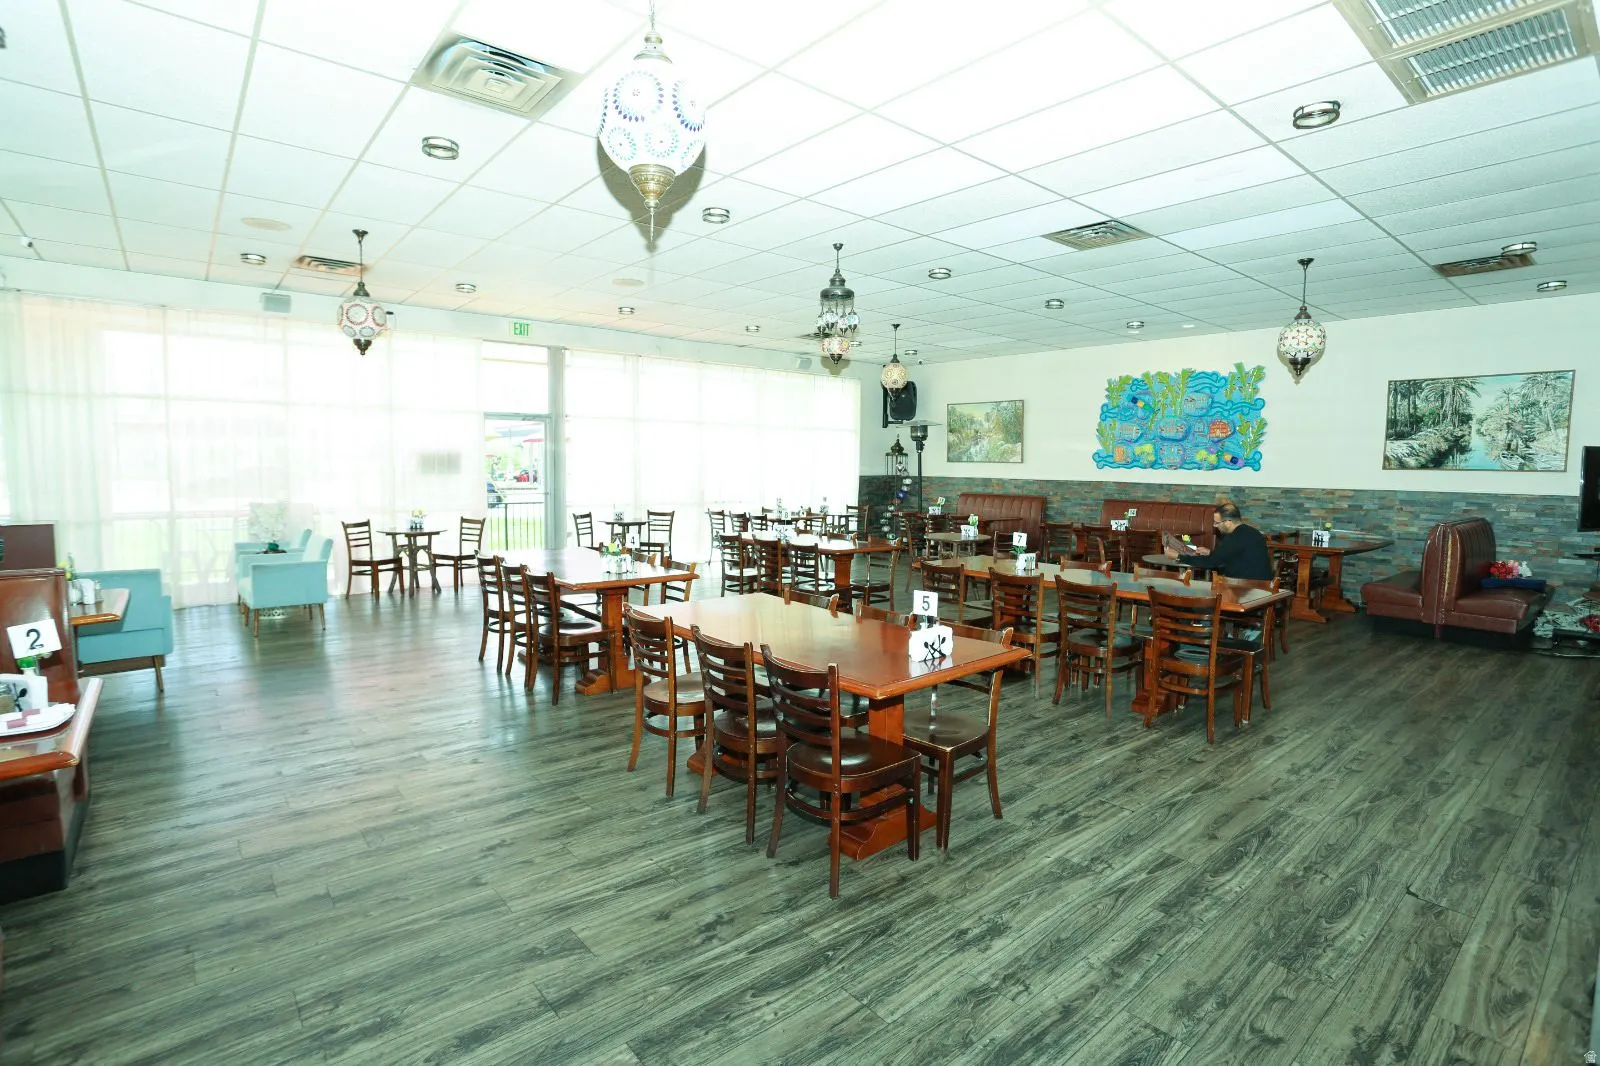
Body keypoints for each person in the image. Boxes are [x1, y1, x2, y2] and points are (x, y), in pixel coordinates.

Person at [1166, 501, 1272, 580]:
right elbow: (1232, 556)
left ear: (1229, 522)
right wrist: (1210, 552)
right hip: (1261, 586)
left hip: (1246, 589)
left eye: (1217, 523)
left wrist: (1178, 556)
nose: (1214, 526)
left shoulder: (1234, 538)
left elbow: (1211, 562)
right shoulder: (1250, 532)